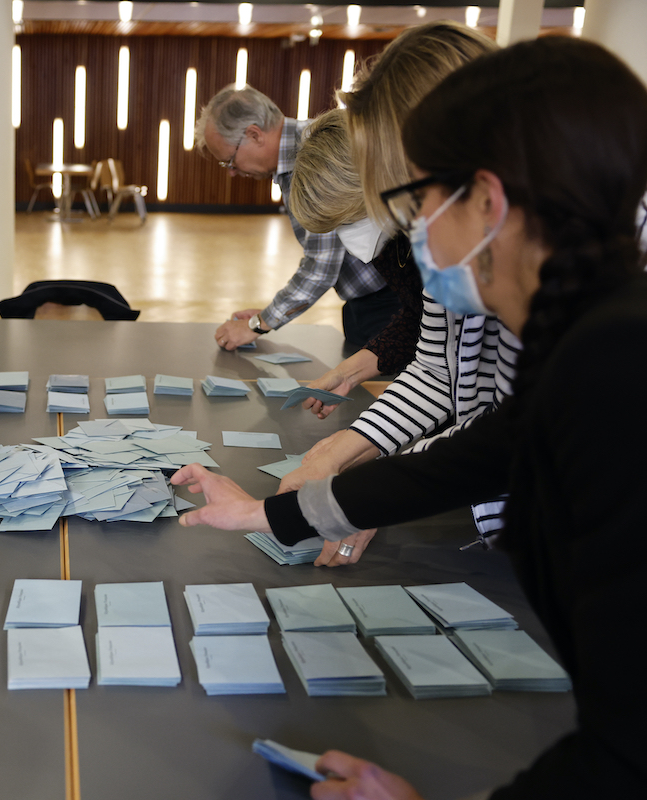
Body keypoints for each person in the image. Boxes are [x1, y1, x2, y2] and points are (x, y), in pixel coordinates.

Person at [174, 36, 647, 798]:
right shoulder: (587, 343)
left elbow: (626, 749)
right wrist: (286, 510)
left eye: (416, 205)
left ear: (487, 200)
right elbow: (486, 445)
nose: (408, 236)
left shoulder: (611, 366)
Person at [279, 21, 514, 567]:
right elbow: (436, 369)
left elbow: (515, 428)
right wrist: (341, 450)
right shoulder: (451, 231)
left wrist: (372, 492)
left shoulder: (563, 248)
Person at [197, 85, 400, 351]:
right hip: (366, 300)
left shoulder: (312, 152)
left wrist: (258, 324)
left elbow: (321, 267)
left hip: (390, 302)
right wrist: (267, 314)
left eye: (230, 161)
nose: (232, 173)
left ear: (254, 134)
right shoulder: (294, 154)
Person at [286, 109, 421, 392]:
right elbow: (421, 319)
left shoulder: (432, 239)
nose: (346, 237)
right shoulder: (390, 242)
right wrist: (346, 374)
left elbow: (444, 360)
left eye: (348, 220)